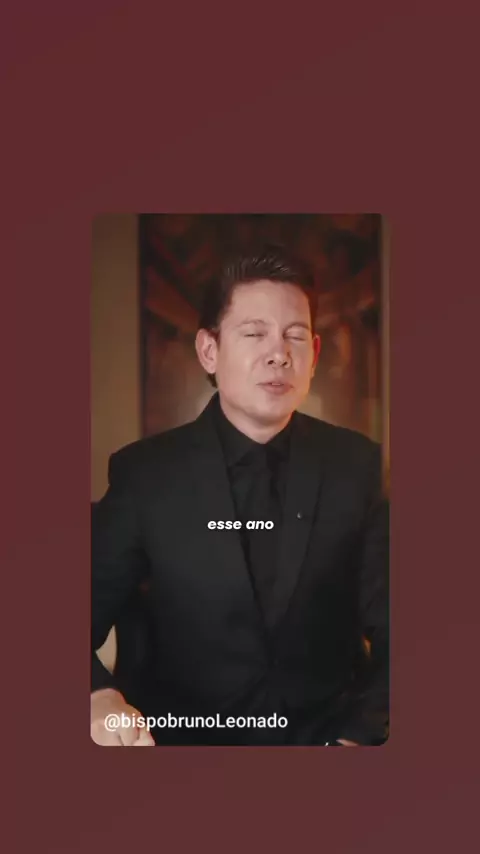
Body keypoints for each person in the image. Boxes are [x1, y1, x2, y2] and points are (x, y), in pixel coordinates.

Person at [91, 244, 389, 746]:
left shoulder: (360, 466)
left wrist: (359, 735)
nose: (279, 353)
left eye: (295, 336)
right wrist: (99, 697)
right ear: (209, 350)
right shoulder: (144, 475)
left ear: (314, 355)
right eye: (254, 333)